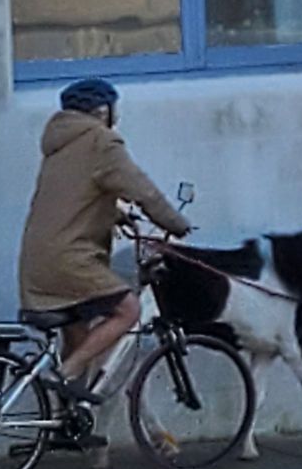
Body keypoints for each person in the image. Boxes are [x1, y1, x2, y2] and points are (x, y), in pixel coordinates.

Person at [18, 78, 190, 402]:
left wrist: (115, 215)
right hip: (69, 261)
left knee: (80, 335)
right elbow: (142, 189)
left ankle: (66, 417)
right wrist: (176, 223)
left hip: (38, 261)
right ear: (101, 111)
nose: (117, 116)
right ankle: (63, 375)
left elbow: (72, 200)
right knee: (128, 309)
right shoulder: (101, 141)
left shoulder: (59, 145)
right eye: (115, 109)